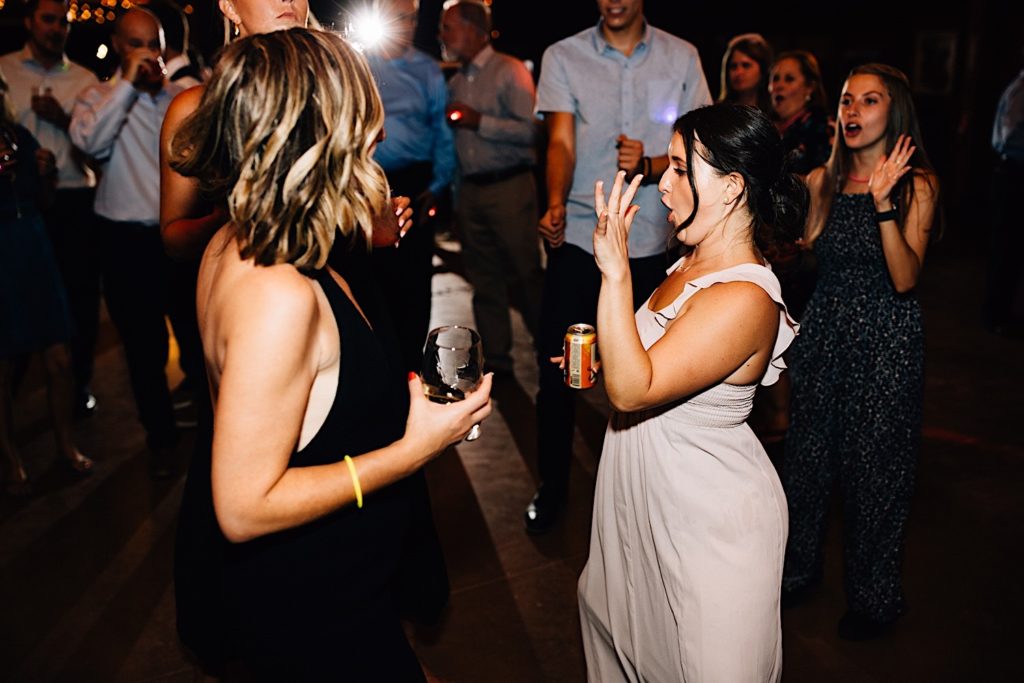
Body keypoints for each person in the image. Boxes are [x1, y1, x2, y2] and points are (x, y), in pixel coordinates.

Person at [168, 28, 492, 679]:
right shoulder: (276, 292)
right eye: (364, 118)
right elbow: (240, 504)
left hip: (345, 593)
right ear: (320, 136)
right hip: (310, 616)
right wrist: (412, 451)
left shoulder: (249, 241)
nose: (377, 137)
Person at [578, 102, 806, 681]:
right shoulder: (686, 265)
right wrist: (605, 352)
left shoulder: (745, 298)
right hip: (646, 502)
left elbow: (635, 392)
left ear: (731, 187)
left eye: (681, 170)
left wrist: (615, 272)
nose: (663, 186)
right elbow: (651, 362)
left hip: (710, 523)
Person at [525, 0, 711, 533]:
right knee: (559, 368)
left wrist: (652, 166)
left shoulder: (682, 57)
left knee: (654, 376)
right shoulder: (563, 55)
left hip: (655, 242)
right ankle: (553, 487)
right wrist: (555, 200)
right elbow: (560, 139)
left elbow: (702, 146)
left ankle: (649, 498)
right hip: (582, 240)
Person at [782, 63, 939, 641]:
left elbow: (904, 277)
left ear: (893, 112)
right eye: (847, 100)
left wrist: (881, 204)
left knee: (875, 475)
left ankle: (874, 600)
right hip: (824, 333)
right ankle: (797, 571)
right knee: (806, 462)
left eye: (868, 101)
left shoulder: (915, 183)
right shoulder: (822, 181)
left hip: (887, 340)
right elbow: (803, 256)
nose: (852, 110)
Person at [70, 8, 184, 478]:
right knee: (144, 348)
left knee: (197, 340)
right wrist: (127, 86)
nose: (148, 54)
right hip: (122, 241)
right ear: (119, 46)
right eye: (137, 44)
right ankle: (162, 441)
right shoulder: (96, 97)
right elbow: (90, 144)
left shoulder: (178, 98)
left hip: (174, 236)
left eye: (154, 44)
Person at [0, 0, 101, 417]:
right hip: (18, 207)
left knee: (80, 301)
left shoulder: (84, 79)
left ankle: (77, 387)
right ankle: (14, 401)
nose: (57, 28)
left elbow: (99, 152)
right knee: (18, 302)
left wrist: (64, 121)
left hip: (74, 199)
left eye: (63, 22)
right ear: (29, 21)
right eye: (48, 19)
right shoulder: (4, 71)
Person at [0, 72, 93, 495]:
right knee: (2, 367)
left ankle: (66, 444)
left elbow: (47, 201)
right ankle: (9, 455)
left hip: (35, 247)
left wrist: (46, 173)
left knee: (60, 359)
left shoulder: (18, 135)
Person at [440, 0, 542, 374]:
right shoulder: (455, 81)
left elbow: (531, 130)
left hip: (509, 188)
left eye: (448, 28)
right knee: (484, 281)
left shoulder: (509, 71)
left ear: (473, 30)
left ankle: (546, 348)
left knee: (525, 275)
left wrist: (479, 120)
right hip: (470, 191)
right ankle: (497, 362)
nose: (442, 36)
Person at [364, 0, 456, 371]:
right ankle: (377, 365)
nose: (407, 24)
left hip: (415, 181)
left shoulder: (427, 70)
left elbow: (442, 132)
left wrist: (437, 185)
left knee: (415, 280)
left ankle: (412, 371)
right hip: (367, 183)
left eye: (412, 17)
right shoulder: (359, 65)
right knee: (372, 278)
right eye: (398, 16)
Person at [985, 55, 1024, 334]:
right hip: (1014, 171)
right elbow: (1008, 131)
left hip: (1011, 169)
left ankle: (999, 312)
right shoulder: (1021, 89)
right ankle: (997, 315)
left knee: (1009, 244)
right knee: (1008, 244)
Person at [769, 50, 833, 176]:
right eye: (775, 79)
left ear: (810, 87)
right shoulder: (765, 128)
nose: (779, 86)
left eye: (789, 79)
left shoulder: (824, 129)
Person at [717, 32, 774, 114]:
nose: (739, 72)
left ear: (763, 69)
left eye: (746, 65)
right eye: (733, 66)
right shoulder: (718, 112)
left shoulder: (775, 111)